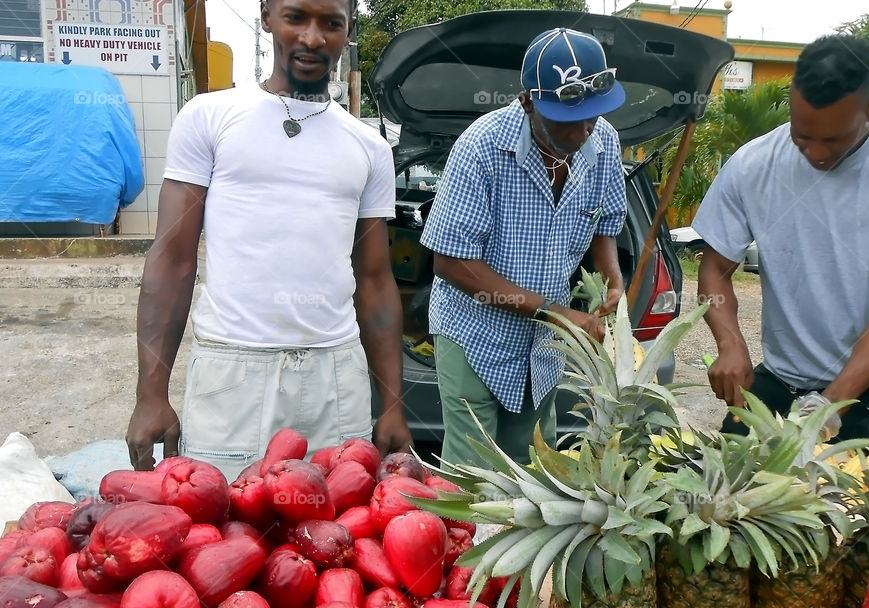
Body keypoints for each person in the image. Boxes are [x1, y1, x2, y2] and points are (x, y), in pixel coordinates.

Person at [125, 0, 411, 481]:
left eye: (331, 23)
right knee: (222, 533)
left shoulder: (369, 148)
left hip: (335, 376)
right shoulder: (210, 117)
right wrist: (150, 394)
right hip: (232, 373)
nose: (313, 38)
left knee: (332, 539)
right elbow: (172, 261)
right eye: (296, 17)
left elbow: (376, 280)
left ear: (348, 30)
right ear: (266, 16)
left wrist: (392, 404)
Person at [694, 34, 869, 442]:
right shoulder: (753, 164)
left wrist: (827, 406)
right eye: (802, 136)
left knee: (846, 496)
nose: (816, 154)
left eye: (833, 139)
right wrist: (729, 343)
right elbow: (715, 267)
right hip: (780, 377)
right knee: (729, 484)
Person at [421, 27, 627, 466]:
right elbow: (450, 262)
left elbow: (605, 222)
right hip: (473, 333)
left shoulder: (603, 139)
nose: (581, 133)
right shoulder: (481, 148)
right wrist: (555, 313)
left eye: (591, 118)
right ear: (528, 101)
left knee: (537, 468)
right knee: (473, 474)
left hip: (544, 344)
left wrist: (612, 281)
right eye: (566, 121)